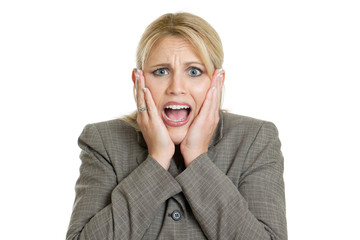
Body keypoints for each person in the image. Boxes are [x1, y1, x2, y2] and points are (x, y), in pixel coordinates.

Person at [66, 12, 287, 240]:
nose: (177, 87)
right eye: (161, 71)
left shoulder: (255, 139)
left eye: (194, 71)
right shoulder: (102, 141)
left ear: (217, 81)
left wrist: (197, 159)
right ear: (138, 80)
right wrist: (157, 159)